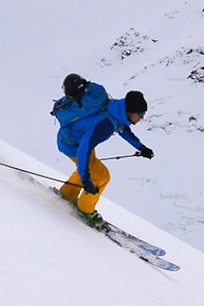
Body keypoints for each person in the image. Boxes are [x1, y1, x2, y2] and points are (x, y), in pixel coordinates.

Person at [53, 75, 154, 226]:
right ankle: (85, 209)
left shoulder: (115, 109)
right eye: (140, 114)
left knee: (90, 168)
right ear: (130, 111)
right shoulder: (106, 125)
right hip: (72, 144)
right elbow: (83, 150)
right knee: (101, 176)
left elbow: (123, 129)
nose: (141, 118)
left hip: (74, 139)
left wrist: (141, 148)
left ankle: (66, 195)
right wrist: (87, 181)